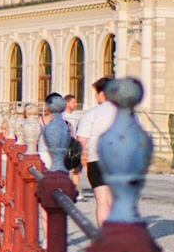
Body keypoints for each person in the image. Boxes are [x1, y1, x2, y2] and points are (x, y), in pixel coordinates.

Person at [75, 77, 118, 224]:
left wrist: (76, 160)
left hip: (97, 158)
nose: (95, 96)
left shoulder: (92, 113)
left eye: (96, 93)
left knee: (102, 200)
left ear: (102, 94)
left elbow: (81, 139)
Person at [33, 93, 67, 171]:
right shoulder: (66, 124)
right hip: (61, 158)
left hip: (42, 154)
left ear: (46, 106)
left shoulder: (38, 122)